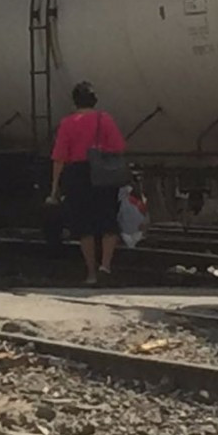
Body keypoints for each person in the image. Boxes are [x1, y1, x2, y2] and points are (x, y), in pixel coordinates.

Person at [47, 82, 126, 285]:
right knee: (108, 219)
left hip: (77, 174)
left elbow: (59, 158)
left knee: (85, 226)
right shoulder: (104, 119)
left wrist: (55, 188)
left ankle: (91, 273)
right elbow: (118, 147)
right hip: (102, 173)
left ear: (74, 102)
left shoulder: (67, 123)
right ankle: (106, 266)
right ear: (95, 101)